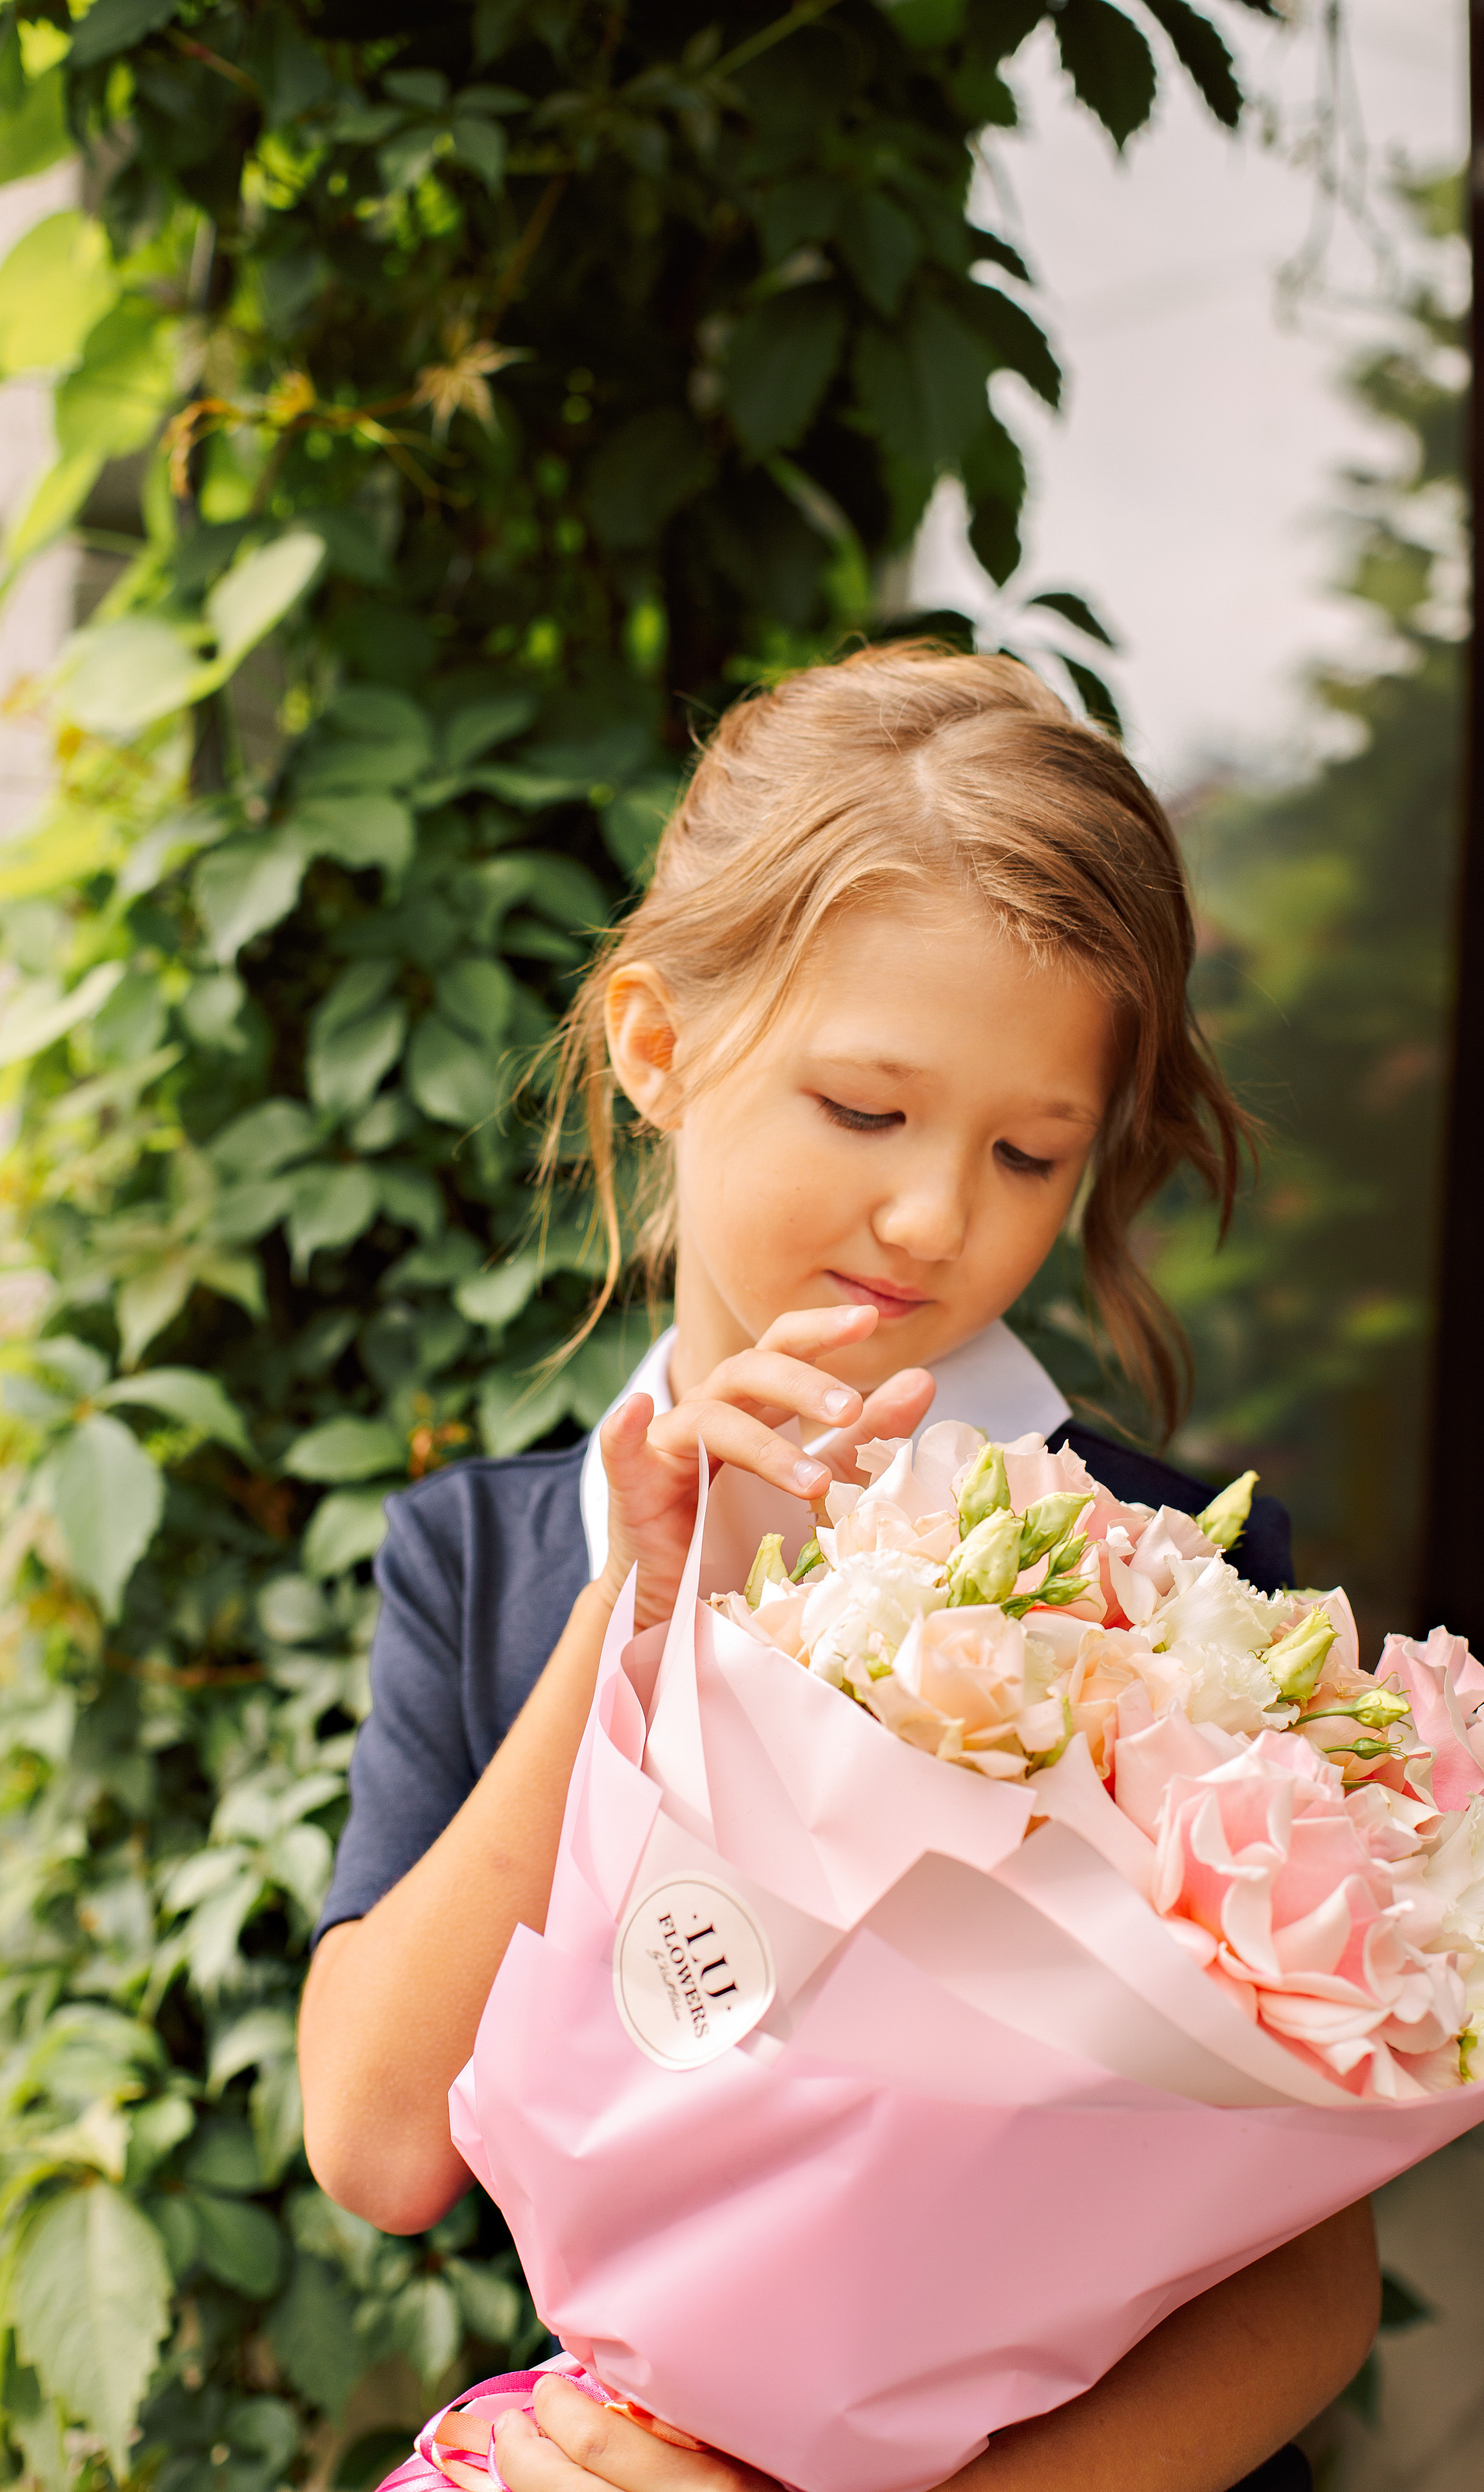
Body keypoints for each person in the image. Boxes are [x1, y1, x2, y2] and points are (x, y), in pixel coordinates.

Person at [299, 646, 1380, 2492]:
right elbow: (383, 2141)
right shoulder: (485, 1562)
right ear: (656, 1046)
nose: (938, 1218)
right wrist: (636, 1614)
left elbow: (1309, 2293)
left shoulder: (1186, 1596)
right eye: (867, 1112)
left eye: (1032, 1153)